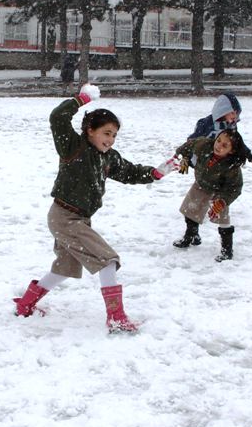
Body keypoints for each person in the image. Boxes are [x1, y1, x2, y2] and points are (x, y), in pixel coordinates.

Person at [13, 84, 174, 333]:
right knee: (107, 261)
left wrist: (155, 173)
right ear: (90, 130)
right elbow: (57, 117)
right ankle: (116, 317)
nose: (110, 140)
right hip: (65, 217)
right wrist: (81, 99)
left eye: (114, 136)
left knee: (65, 268)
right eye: (106, 133)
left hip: (77, 220)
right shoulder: (73, 147)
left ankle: (25, 304)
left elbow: (130, 171)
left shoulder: (108, 157)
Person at [172, 129, 247, 262]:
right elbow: (187, 146)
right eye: (218, 141)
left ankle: (227, 250)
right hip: (201, 184)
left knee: (222, 218)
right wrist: (184, 157)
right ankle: (192, 236)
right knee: (190, 210)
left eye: (225, 145)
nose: (218, 146)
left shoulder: (232, 166)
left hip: (220, 192)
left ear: (232, 150)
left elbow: (235, 188)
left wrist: (223, 201)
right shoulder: (204, 145)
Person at [188, 92, 252, 168]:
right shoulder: (205, 123)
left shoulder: (231, 126)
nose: (235, 116)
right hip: (205, 161)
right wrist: (189, 157)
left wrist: (248, 154)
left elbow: (237, 142)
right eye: (232, 113)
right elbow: (193, 141)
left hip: (223, 162)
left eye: (236, 113)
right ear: (223, 111)